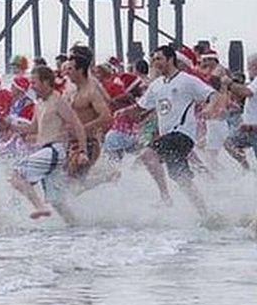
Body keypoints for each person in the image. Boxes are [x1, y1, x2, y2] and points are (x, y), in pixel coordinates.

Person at [123, 45, 223, 217]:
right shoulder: (156, 85)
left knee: (147, 155)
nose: (155, 63)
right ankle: (208, 216)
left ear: (170, 59)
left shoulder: (186, 80)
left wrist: (209, 108)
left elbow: (213, 94)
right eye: (153, 60)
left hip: (182, 134)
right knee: (183, 181)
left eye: (159, 59)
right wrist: (124, 112)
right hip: (168, 136)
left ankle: (165, 196)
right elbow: (140, 108)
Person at [7, 66, 89, 223]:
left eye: (34, 82)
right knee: (56, 201)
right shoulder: (39, 103)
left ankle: (39, 207)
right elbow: (33, 128)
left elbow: (77, 125)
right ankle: (77, 227)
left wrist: (83, 151)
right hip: (46, 151)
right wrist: (10, 126)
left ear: (46, 82)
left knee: (16, 175)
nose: (31, 86)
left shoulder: (58, 101)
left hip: (55, 151)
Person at [63, 45, 112, 179]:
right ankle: (104, 178)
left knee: (73, 183)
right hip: (71, 141)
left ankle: (106, 178)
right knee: (66, 182)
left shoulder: (91, 86)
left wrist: (83, 128)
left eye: (70, 67)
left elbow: (107, 114)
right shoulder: (72, 87)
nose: (67, 70)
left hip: (88, 141)